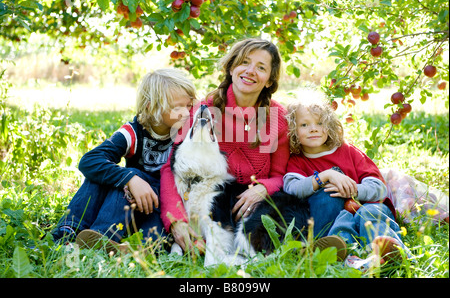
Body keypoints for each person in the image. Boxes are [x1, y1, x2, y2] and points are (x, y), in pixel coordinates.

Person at [159, 38, 291, 253]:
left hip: (252, 207)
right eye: (244, 62)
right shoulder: (204, 109)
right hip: (208, 203)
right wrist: (177, 222)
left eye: (261, 67)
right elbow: (170, 169)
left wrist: (263, 188)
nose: (250, 71)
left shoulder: (278, 118)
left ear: (269, 80)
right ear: (231, 67)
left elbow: (280, 175)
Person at [52, 69, 196, 253]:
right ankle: (69, 233)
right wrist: (130, 179)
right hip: (129, 201)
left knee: (158, 233)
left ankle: (134, 249)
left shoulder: (187, 132)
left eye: (189, 105)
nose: (186, 113)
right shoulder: (133, 132)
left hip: (161, 204)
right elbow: (89, 160)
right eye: (177, 107)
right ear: (151, 107)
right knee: (103, 174)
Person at [283, 89, 408, 269]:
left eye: (320, 123)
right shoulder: (297, 160)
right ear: (293, 130)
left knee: (371, 213)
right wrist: (324, 176)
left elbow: (379, 187)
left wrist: (354, 189)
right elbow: (291, 188)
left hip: (363, 207)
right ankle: (343, 254)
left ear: (330, 125)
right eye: (304, 125)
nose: (313, 128)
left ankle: (389, 252)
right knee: (328, 202)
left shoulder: (347, 151)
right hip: (331, 219)